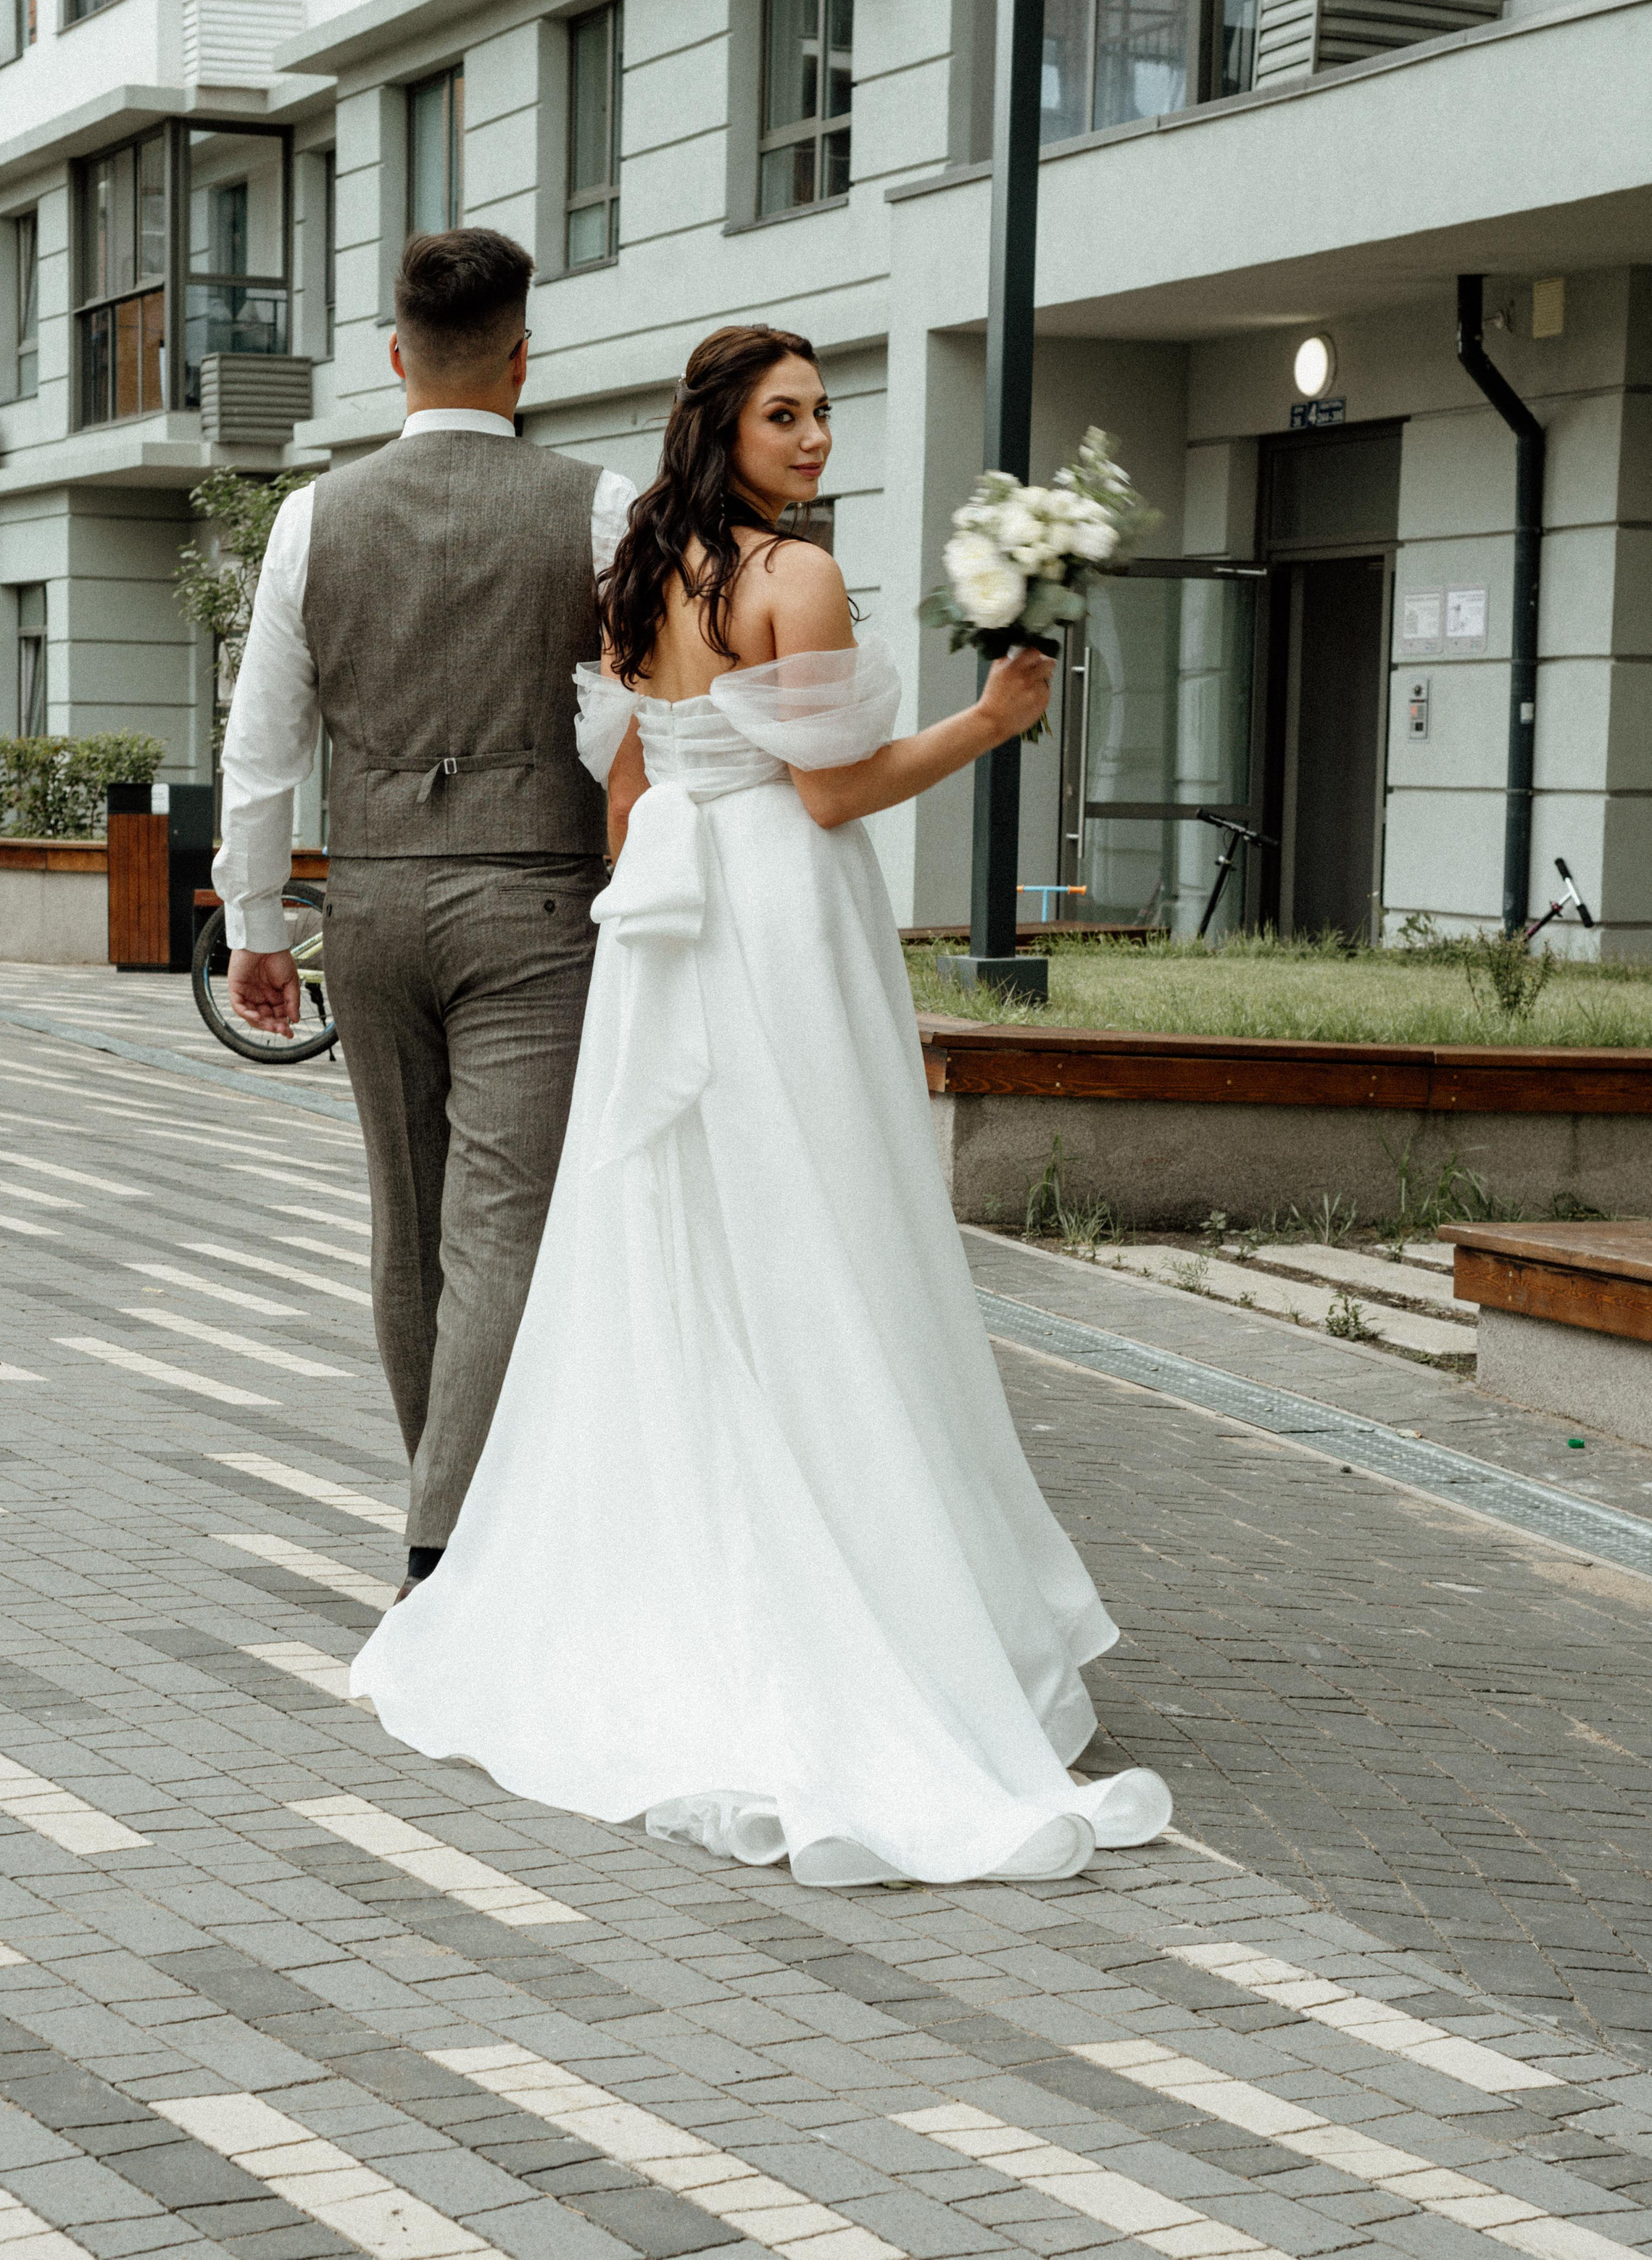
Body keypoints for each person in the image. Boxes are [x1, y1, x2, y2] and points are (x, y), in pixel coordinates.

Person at [352, 322, 1172, 1886]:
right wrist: (990, 726)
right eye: (782, 415)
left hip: (673, 924)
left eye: (820, 414)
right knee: (826, 1225)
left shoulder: (646, 576)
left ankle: (663, 1574)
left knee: (684, 1239)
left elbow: (630, 789)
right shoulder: (793, 576)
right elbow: (830, 791)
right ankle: (847, 1582)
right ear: (719, 426)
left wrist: (647, 923)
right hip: (780, 921)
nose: (812, 438)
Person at [212, 228, 636, 1602]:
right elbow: (633, 727)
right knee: (501, 1220)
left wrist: (259, 921)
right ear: (524, 355)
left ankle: (442, 1519)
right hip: (539, 900)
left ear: (396, 356)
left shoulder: (312, 517)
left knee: (410, 1218)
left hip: (376, 901)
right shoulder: (598, 507)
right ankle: (447, 1544)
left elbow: (261, 743)